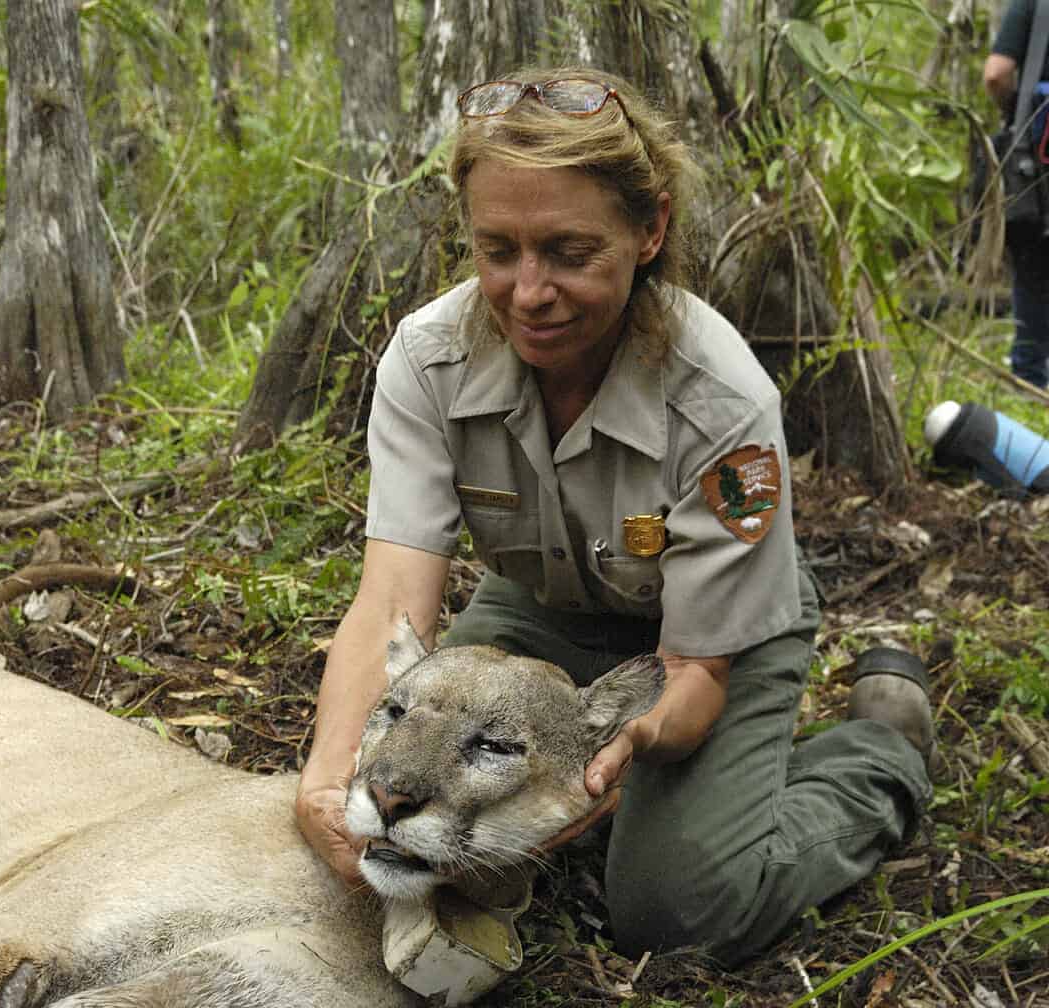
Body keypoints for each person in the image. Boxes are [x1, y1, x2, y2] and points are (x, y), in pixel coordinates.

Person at [293, 68, 934, 966]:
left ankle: (877, 755)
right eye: (497, 250)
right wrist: (329, 786)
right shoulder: (428, 360)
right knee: (420, 806)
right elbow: (391, 606)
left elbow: (694, 670)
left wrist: (620, 751)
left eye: (568, 251)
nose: (527, 292)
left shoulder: (722, 403)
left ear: (649, 230)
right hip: (541, 611)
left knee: (678, 909)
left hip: (710, 640)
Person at [984, 0, 1049, 387]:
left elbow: (996, 74)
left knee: (1033, 259)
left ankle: (1029, 381)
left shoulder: (1032, 5)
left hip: (1038, 153)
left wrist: (1017, 111)